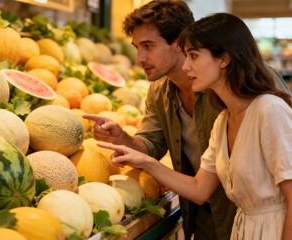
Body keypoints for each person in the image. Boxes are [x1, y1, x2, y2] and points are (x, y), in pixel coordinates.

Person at [83, 1, 291, 239]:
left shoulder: (267, 106)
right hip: (222, 224)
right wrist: (130, 146)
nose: (139, 57)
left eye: (148, 46)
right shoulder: (221, 120)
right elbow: (198, 187)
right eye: (136, 47)